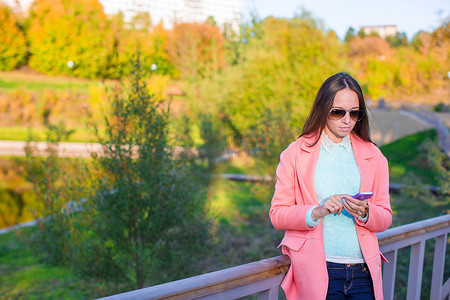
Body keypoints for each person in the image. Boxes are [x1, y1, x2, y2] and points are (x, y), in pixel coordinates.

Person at [269, 72, 392, 300]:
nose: (347, 120)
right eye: (338, 112)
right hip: (317, 272)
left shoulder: (375, 156)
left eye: (354, 113)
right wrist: (316, 211)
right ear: (323, 109)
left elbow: (385, 217)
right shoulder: (294, 154)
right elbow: (277, 214)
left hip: (363, 273)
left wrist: (366, 212)